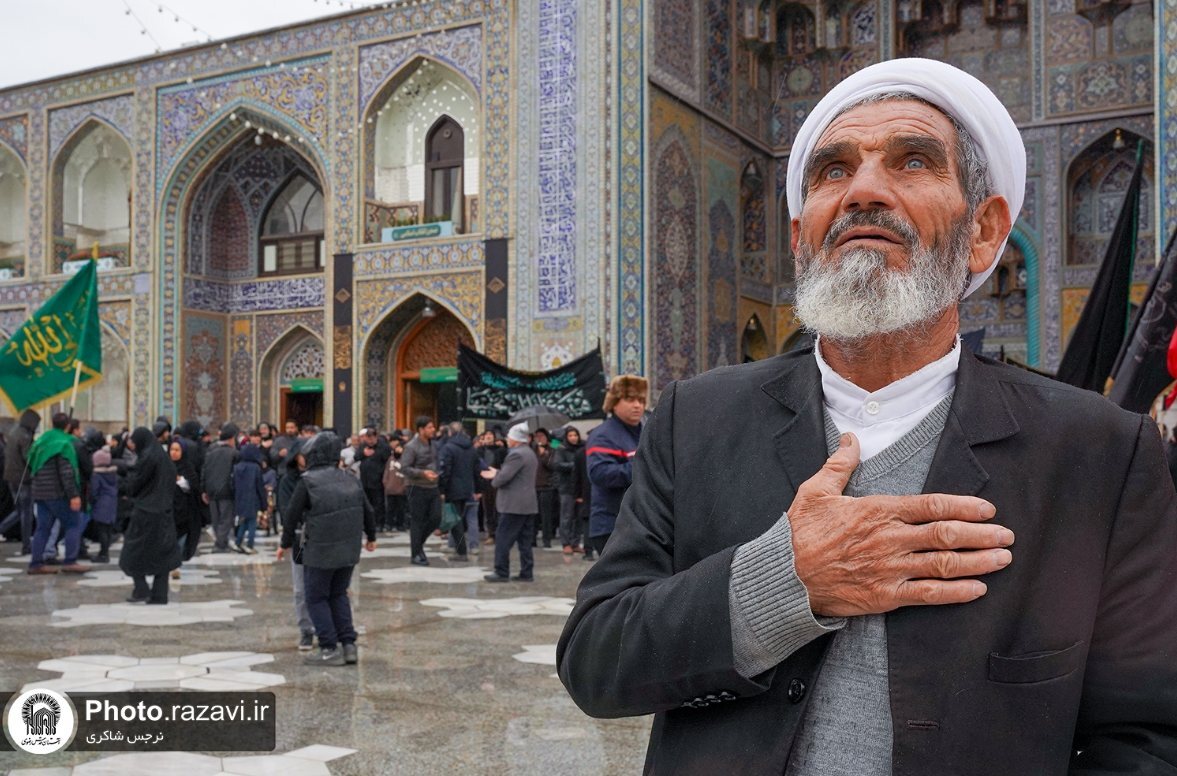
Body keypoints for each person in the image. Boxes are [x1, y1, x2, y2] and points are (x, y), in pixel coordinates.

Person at [558, 58, 1177, 774]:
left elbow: (1146, 736)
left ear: (982, 231)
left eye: (912, 161)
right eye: (833, 170)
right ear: (801, 237)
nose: (863, 191)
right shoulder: (697, 418)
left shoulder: (1094, 450)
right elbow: (597, 661)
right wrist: (783, 582)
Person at [277, 432, 376, 666]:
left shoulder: (308, 481)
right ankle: (348, 645)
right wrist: (371, 537)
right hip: (348, 547)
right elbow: (368, 510)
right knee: (339, 594)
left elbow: (291, 516)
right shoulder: (351, 478)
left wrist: (285, 543)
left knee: (316, 597)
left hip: (319, 549)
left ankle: (329, 647)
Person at [584, 375, 647, 556]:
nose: (637, 405)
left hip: (640, 524)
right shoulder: (603, 435)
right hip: (611, 525)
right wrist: (644, 466)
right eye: (630, 399)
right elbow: (600, 473)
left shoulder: (646, 431)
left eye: (641, 400)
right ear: (614, 402)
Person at [120, 427, 181, 604]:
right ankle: (160, 594)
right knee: (162, 554)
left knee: (131, 553)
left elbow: (135, 485)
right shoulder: (165, 459)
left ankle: (141, 588)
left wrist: (126, 487)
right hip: (164, 513)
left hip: (145, 513)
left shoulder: (147, 458)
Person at [26, 412, 87, 574]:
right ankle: (70, 561)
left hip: (40, 492)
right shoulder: (64, 444)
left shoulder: (41, 441)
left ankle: (36, 563)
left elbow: (30, 463)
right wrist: (73, 495)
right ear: (68, 426)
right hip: (57, 493)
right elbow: (66, 472)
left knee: (42, 528)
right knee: (73, 524)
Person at [483, 422, 538, 583]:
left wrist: (495, 477)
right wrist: (499, 472)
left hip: (513, 504)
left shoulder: (516, 454)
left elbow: (503, 478)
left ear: (516, 439)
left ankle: (501, 571)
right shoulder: (529, 452)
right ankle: (527, 572)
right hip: (528, 503)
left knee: (503, 538)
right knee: (525, 540)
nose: (507, 440)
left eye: (509, 437)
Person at [400, 416, 441, 566]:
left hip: (433, 486)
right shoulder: (411, 446)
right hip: (416, 487)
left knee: (436, 518)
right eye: (430, 427)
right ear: (421, 429)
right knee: (417, 521)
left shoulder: (434, 444)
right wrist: (423, 473)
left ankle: (418, 545)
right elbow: (405, 468)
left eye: (433, 427)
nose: (433, 430)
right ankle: (415, 554)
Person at [0, 409, 40, 553]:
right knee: (26, 513)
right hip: (24, 479)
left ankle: (2, 528)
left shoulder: (13, 432)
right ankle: (26, 545)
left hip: (11, 477)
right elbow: (29, 458)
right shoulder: (25, 436)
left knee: (19, 511)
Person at [201, 423, 238, 552]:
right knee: (226, 518)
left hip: (211, 490)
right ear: (232, 438)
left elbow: (204, 471)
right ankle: (220, 544)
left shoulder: (211, 452)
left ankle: (221, 541)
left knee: (216, 519)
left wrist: (204, 490)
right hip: (226, 490)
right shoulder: (234, 453)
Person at [550, 426, 585, 554]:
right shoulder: (561, 449)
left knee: (579, 516)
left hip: (580, 487)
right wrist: (575, 465)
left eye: (575, 435)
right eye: (570, 436)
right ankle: (566, 543)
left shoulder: (582, 448)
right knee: (567, 516)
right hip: (566, 487)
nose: (573, 438)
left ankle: (575, 542)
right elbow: (557, 464)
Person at [170, 439, 202, 567]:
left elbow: (194, 488)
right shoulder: (166, 466)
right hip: (169, 509)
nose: (174, 453)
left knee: (182, 536)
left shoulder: (188, 467)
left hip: (186, 510)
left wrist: (181, 481)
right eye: (172, 449)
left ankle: (178, 560)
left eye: (177, 450)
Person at [232, 442, 266, 554]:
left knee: (243, 522)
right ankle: (250, 545)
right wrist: (263, 503)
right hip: (252, 499)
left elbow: (233, 485)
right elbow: (259, 486)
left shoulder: (236, 468)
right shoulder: (255, 468)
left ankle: (238, 542)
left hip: (239, 498)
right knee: (252, 523)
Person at [358, 427, 391, 536]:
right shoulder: (363, 446)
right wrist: (364, 453)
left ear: (376, 437)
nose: (370, 441)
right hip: (365, 480)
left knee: (378, 504)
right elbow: (356, 456)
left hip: (378, 480)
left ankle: (379, 524)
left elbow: (387, 460)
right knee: (366, 504)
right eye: (368, 439)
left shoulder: (383, 447)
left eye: (372, 438)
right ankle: (366, 524)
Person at [89, 443, 118, 564]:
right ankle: (105, 553)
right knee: (107, 530)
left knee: (102, 531)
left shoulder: (96, 475)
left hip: (101, 505)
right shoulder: (113, 474)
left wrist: (91, 501)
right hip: (112, 504)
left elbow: (94, 491)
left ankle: (103, 554)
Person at [532, 429, 558, 548]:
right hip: (533, 486)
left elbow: (552, 466)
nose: (539, 438)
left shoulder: (552, 448)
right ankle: (532, 539)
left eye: (542, 436)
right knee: (533, 515)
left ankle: (546, 539)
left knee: (546, 515)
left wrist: (544, 455)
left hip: (547, 486)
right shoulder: (533, 449)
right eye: (537, 436)